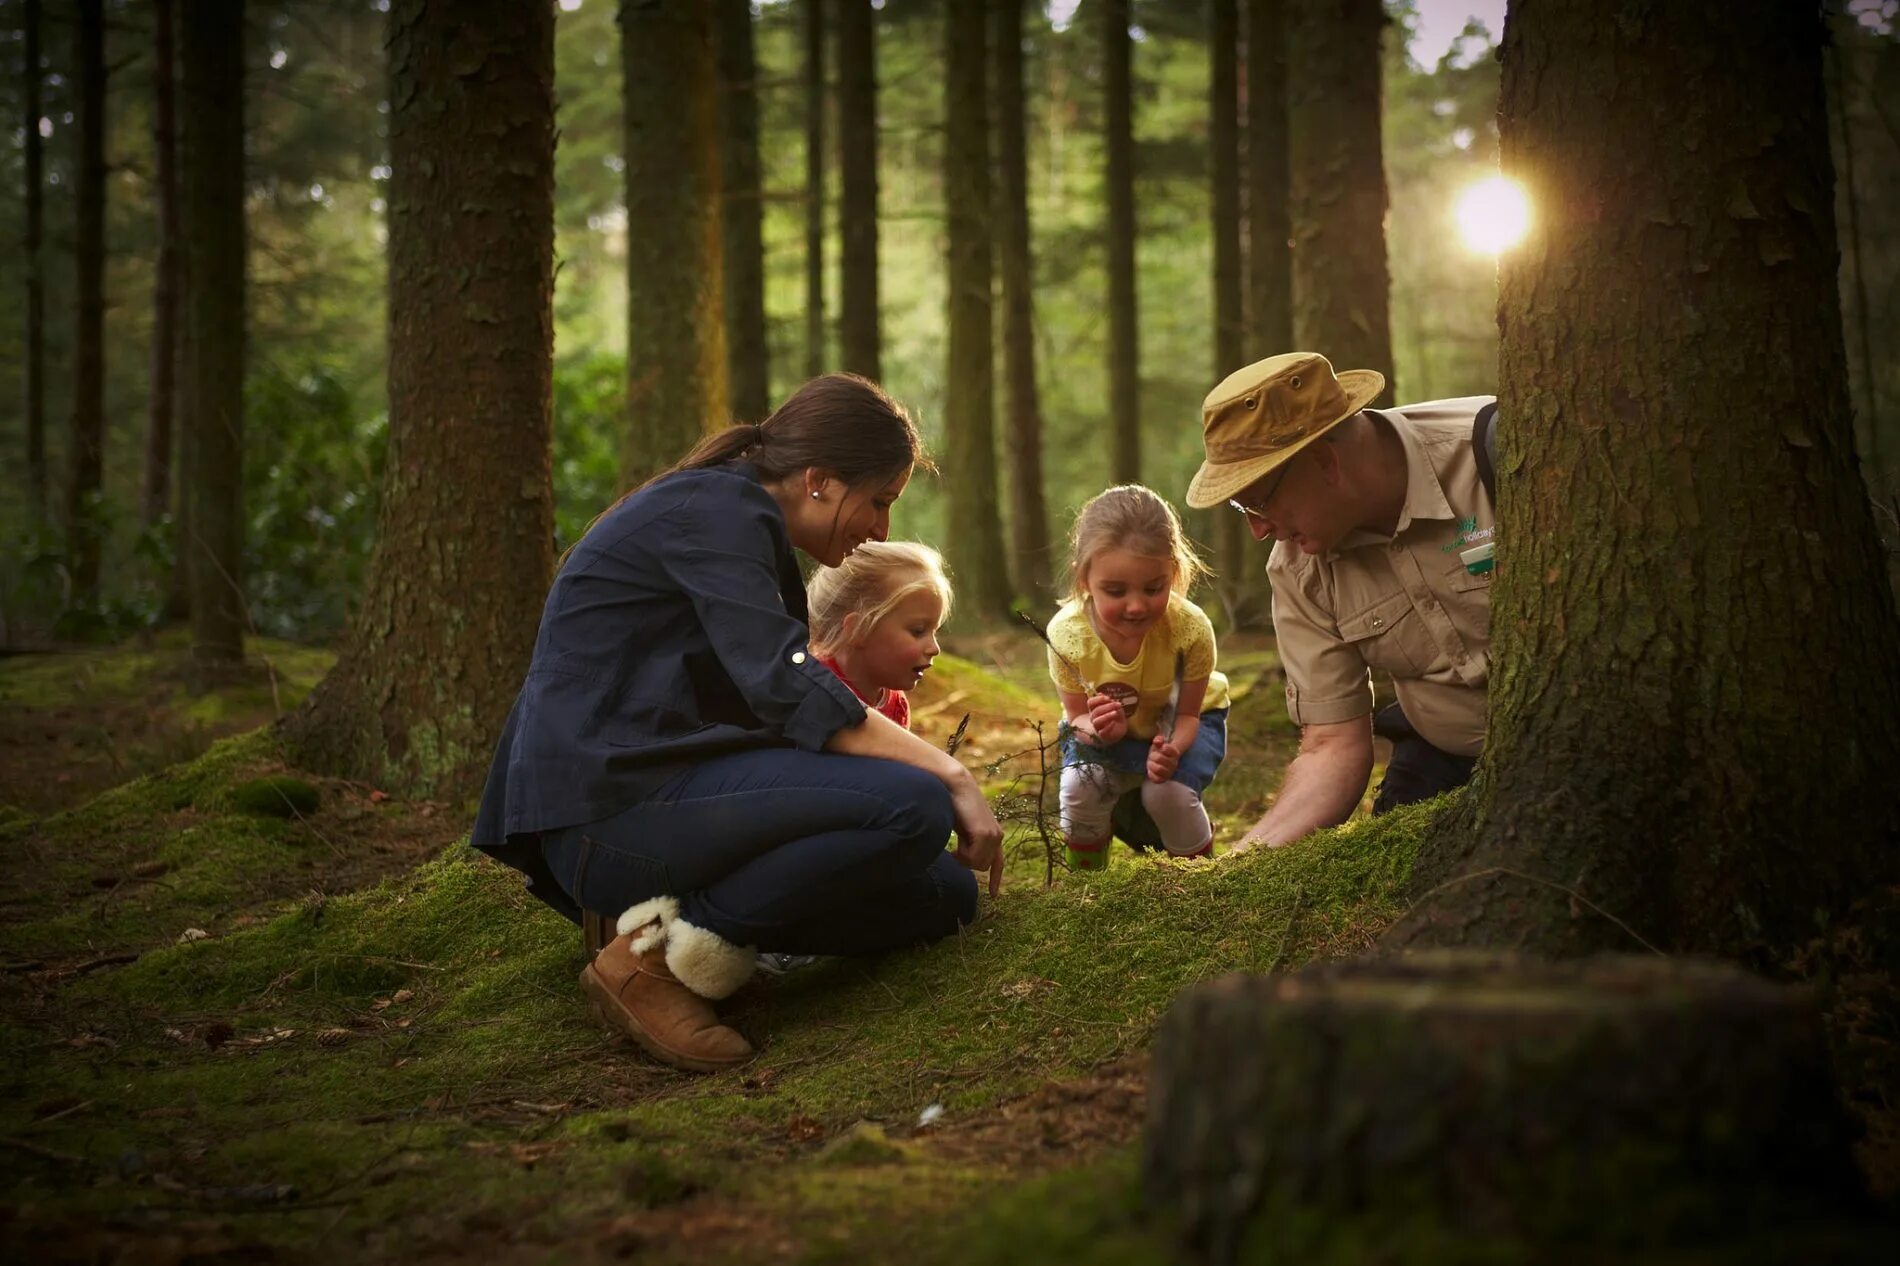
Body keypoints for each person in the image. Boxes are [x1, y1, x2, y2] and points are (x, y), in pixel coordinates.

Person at [471, 374, 1004, 1074]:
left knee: (943, 895)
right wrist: (950, 770)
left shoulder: (736, 519)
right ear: (817, 479)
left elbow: (764, 703)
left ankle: (696, 929)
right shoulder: (715, 511)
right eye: (879, 502)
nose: (880, 530)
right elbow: (785, 685)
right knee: (914, 806)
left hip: (668, 792)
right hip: (609, 812)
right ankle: (651, 966)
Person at [1184, 351, 1495, 849]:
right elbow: (1333, 744)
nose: (1259, 530)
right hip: (1444, 763)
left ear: (1325, 461)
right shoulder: (1297, 570)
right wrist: (1239, 868)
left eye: (1259, 502)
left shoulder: (1497, 453)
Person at [1044, 485, 1232, 868]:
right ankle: (1085, 886)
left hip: (1181, 722)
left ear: (1174, 573)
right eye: (1115, 591)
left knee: (1167, 796)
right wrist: (1099, 731)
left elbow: (1189, 716)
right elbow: (1076, 715)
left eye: (1154, 588)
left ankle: (1197, 880)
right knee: (1081, 785)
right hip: (1102, 728)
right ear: (1084, 581)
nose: (1135, 605)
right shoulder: (1067, 635)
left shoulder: (1190, 629)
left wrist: (1173, 750)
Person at [806, 541, 953, 731]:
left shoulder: (895, 705)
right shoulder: (811, 693)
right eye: (918, 631)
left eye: (935, 632)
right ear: (858, 629)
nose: (934, 648)